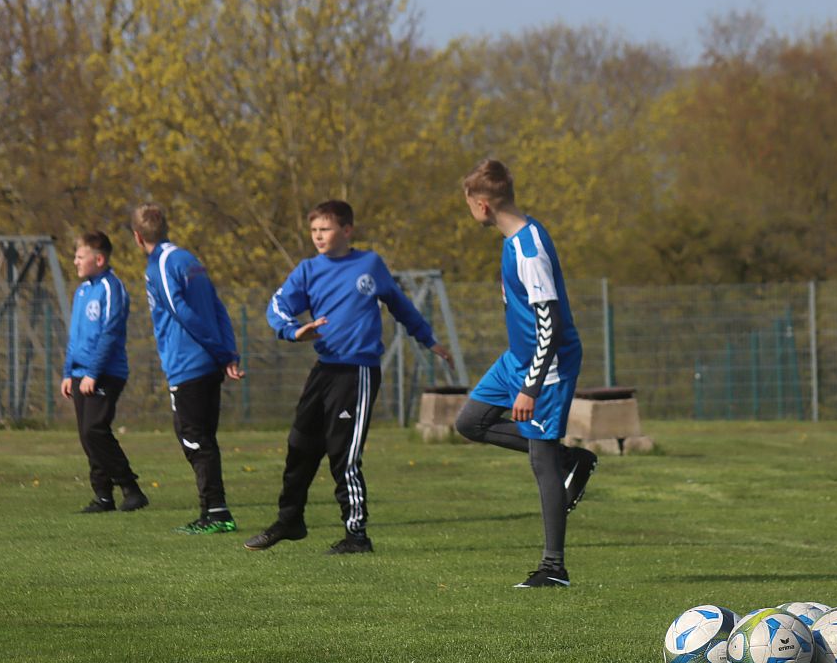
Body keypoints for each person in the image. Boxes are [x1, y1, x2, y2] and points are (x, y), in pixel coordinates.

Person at [245, 200, 454, 555]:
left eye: (324, 229)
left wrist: (428, 339)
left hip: (358, 372)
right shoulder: (308, 270)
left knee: (343, 452)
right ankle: (289, 520)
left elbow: (399, 305)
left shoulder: (369, 265)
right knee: (299, 444)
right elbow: (277, 306)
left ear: (346, 230)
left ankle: (356, 535)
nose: (318, 236)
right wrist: (294, 331)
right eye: (313, 231)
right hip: (324, 370)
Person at [454, 158, 598, 589]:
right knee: (470, 422)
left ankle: (554, 569)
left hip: (546, 364)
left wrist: (530, 389)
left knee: (540, 458)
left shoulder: (529, 250)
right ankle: (571, 458)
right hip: (516, 358)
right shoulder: (514, 240)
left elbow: (550, 325)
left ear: (481, 206)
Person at [131, 204, 244, 535]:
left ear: (138, 237)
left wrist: (221, 351)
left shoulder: (160, 266)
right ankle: (214, 510)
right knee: (202, 437)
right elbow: (217, 307)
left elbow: (181, 312)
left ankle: (216, 512)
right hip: (208, 361)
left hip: (188, 363)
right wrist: (227, 351)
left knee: (194, 439)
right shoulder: (188, 259)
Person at [62, 231, 149, 514]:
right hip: (80, 374)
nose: (75, 261)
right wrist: (68, 372)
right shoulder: (82, 291)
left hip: (104, 373)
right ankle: (103, 496)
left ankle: (131, 489)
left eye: (80, 256)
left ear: (98, 259)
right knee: (87, 436)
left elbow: (109, 333)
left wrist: (93, 372)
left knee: (95, 430)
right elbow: (75, 337)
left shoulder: (112, 288)